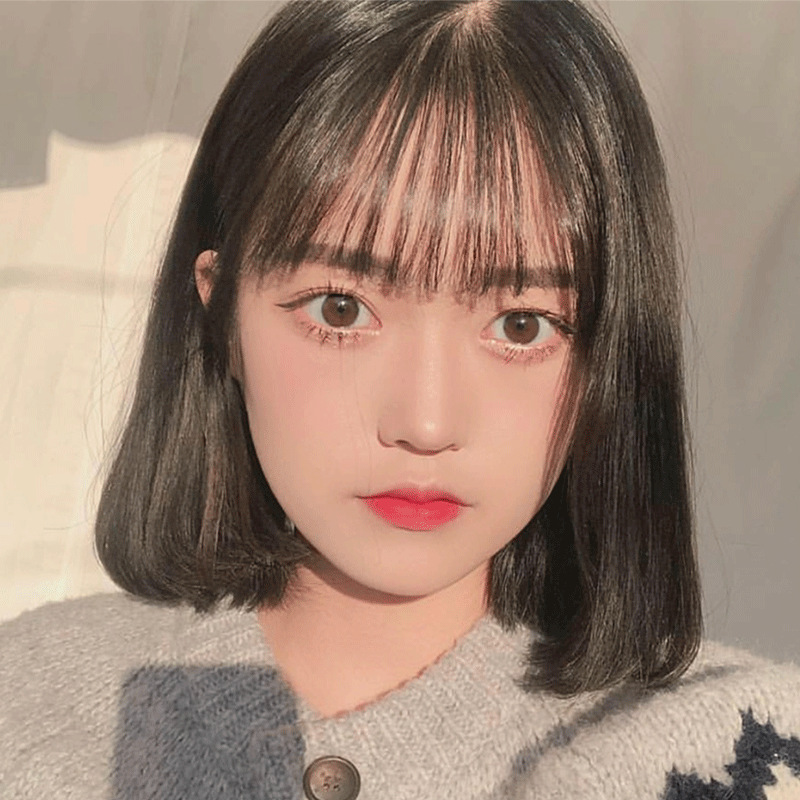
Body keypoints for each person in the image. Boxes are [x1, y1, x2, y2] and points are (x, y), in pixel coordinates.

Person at [1, 1, 798, 798]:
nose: (425, 423)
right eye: (340, 309)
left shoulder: (743, 750)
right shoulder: (25, 707)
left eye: (521, 325)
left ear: (609, 352)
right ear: (223, 316)